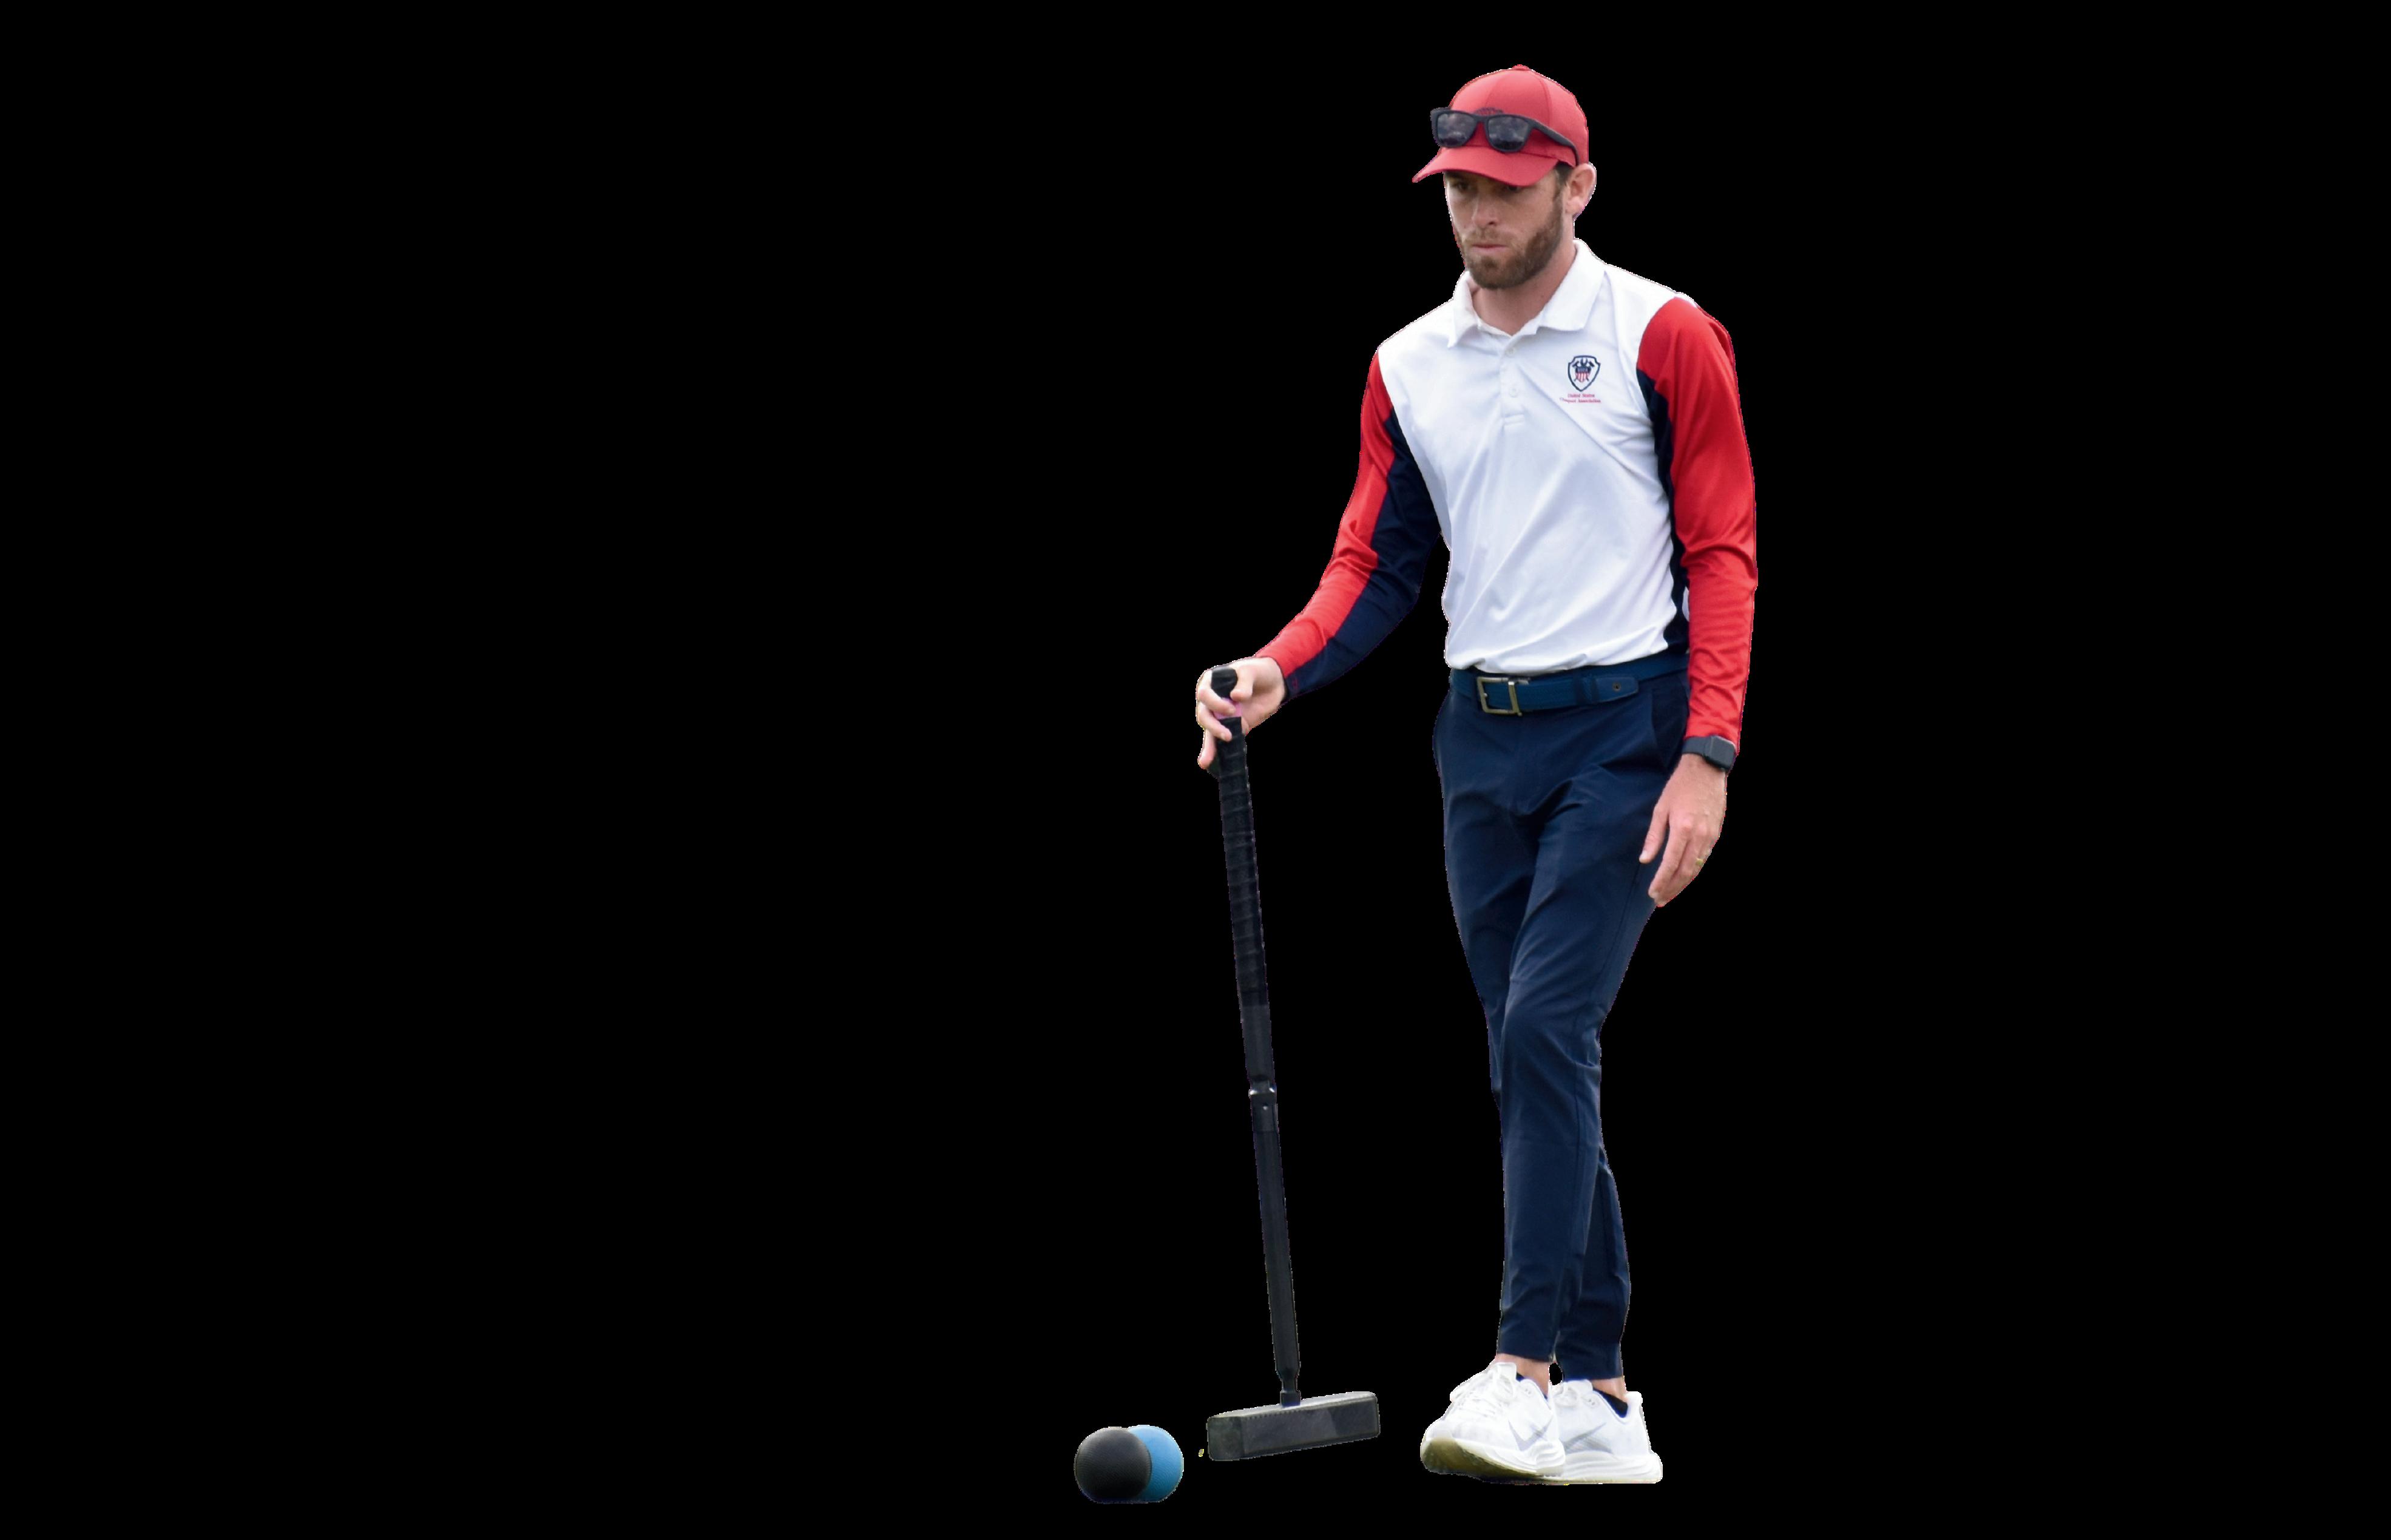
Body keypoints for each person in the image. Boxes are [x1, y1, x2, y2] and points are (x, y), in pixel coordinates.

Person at [1189, 63, 1756, 1486]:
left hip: (1625, 731)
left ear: (1576, 185)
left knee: (1544, 1030)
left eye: (1505, 188)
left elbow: (1720, 549)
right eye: (1456, 188)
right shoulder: (1408, 363)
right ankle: (1606, 1401)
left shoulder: (1660, 332)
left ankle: (1518, 1372)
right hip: (1478, 740)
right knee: (1525, 1049)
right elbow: (1374, 560)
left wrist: (1706, 752)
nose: (1476, 213)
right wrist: (1277, 666)